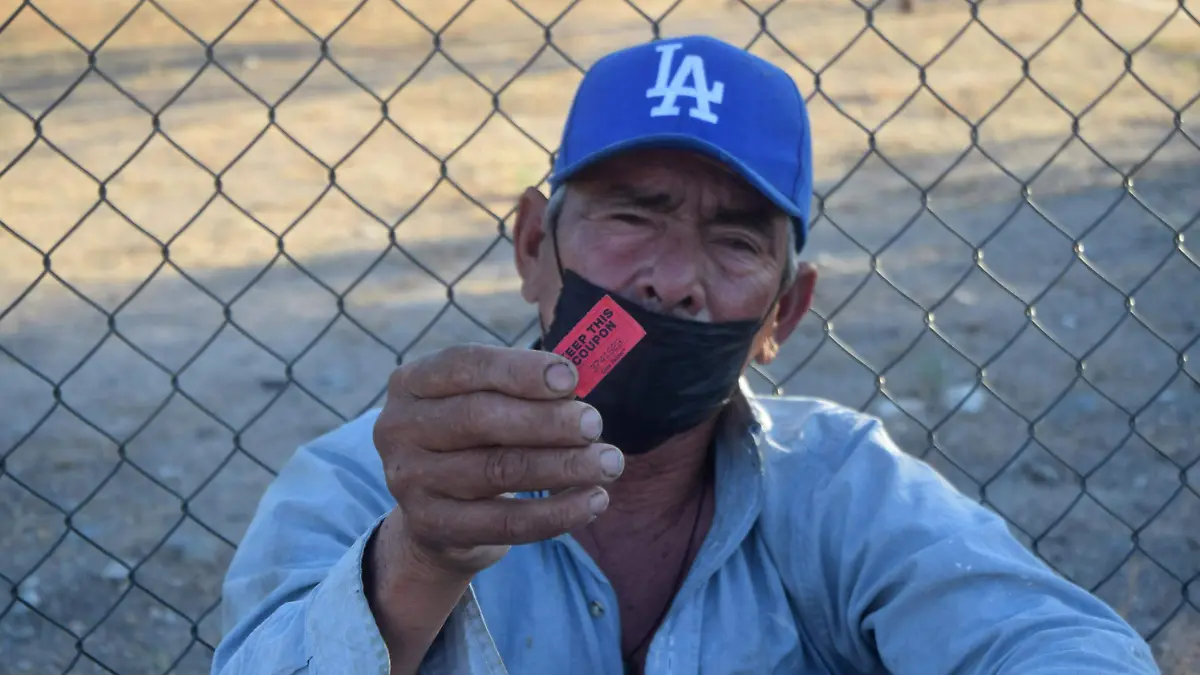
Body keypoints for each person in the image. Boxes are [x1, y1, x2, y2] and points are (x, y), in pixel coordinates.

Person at [211, 35, 1160, 675]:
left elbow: (1051, 638)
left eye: (736, 240)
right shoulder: (364, 484)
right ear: (535, 245)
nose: (671, 279)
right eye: (633, 214)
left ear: (783, 311)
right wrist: (418, 559)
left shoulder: (839, 485)